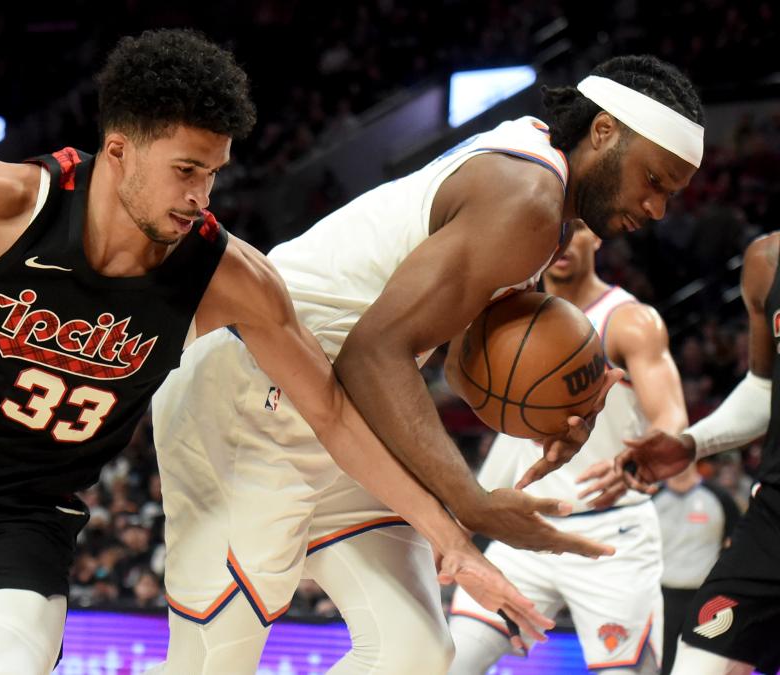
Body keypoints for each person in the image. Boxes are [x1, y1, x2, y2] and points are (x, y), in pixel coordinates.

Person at [0, 29, 558, 675]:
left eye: (212, 174)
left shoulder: (228, 274)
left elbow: (335, 414)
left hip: (13, 517)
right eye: (184, 171)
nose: (199, 197)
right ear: (117, 150)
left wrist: (450, 536)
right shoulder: (3, 204)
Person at [151, 54, 704, 673]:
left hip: (344, 419)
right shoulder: (527, 197)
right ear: (603, 131)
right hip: (250, 396)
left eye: (671, 195)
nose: (657, 208)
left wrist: (552, 414)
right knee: (212, 663)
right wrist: (469, 502)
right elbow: (374, 353)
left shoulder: (536, 179)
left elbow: (463, 368)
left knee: (413, 651)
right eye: (654, 180)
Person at [446, 220, 688, 675]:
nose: (562, 240)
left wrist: (645, 456)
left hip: (611, 531)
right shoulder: (509, 308)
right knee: (448, 661)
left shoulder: (629, 320)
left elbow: (672, 415)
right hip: (526, 529)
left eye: (576, 228)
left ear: (597, 235)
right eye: (551, 227)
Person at [616, 231, 780, 675]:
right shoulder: (767, 261)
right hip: (774, 518)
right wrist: (692, 443)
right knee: (698, 662)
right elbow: (765, 386)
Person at [654, 462, 741, 675]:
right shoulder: (652, 497)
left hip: (706, 599)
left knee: (701, 664)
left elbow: (739, 544)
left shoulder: (719, 497)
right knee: (659, 664)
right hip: (658, 596)